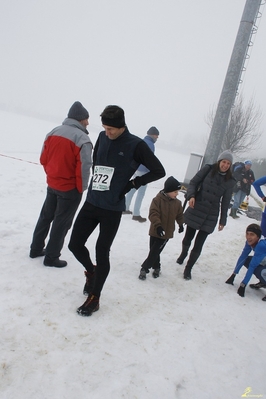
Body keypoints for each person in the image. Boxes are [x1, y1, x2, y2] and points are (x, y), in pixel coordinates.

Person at [68, 105, 165, 316]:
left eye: (111, 129)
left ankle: (95, 297)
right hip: (92, 201)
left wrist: (134, 183)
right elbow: (98, 164)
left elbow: (159, 170)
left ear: (122, 126)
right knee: (74, 244)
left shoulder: (136, 144)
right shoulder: (103, 137)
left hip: (112, 207)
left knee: (102, 251)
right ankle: (91, 272)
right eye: (104, 127)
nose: (107, 132)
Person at [29, 101, 93, 268]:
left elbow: (43, 158)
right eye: (86, 119)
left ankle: (35, 249)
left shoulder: (53, 132)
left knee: (45, 217)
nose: (88, 122)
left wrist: (52, 175)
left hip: (52, 184)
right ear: (80, 119)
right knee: (61, 222)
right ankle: (51, 257)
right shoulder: (82, 138)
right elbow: (84, 167)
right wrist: (81, 188)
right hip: (70, 189)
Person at [176, 150, 235, 280]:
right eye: (224, 162)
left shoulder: (229, 181)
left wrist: (223, 220)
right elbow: (193, 183)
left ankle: (188, 268)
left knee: (199, 243)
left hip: (210, 214)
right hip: (196, 206)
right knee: (188, 238)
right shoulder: (208, 169)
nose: (225, 165)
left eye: (228, 163)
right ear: (219, 161)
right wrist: (191, 196)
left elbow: (225, 202)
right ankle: (183, 253)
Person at [139, 176, 184, 280]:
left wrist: (181, 224)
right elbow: (153, 214)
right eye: (175, 192)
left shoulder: (177, 203)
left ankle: (144, 268)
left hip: (166, 234)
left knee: (155, 251)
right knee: (154, 251)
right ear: (168, 191)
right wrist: (158, 226)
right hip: (155, 230)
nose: (177, 194)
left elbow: (180, 215)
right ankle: (157, 267)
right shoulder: (157, 200)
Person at [124, 126, 160, 223]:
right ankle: (136, 214)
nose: (157, 138)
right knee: (141, 193)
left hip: (136, 169)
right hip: (144, 170)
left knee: (133, 187)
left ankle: (125, 207)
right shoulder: (151, 144)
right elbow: (149, 159)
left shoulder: (142, 141)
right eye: (157, 136)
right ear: (153, 135)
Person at [225, 223, 266, 301]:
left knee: (260, 271)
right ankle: (263, 282)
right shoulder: (250, 241)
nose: (248, 237)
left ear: (258, 236)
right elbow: (243, 257)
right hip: (264, 263)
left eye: (252, 234)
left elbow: (252, 265)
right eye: (247, 234)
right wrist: (233, 275)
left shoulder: (261, 245)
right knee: (246, 260)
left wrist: (243, 285)